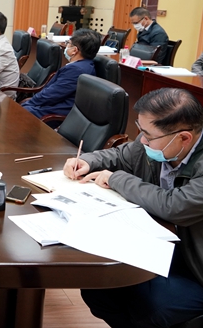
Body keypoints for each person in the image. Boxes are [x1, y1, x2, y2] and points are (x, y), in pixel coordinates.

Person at [64, 88, 203, 327]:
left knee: (153, 307)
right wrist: (87, 161)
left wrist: (116, 179)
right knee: (98, 286)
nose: (142, 140)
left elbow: (175, 206)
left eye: (148, 135)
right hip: (164, 245)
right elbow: (120, 155)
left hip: (196, 267)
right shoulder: (159, 144)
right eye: (141, 130)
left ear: (184, 138)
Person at [21, 28, 100, 119]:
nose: (66, 46)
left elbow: (51, 95)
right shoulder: (85, 65)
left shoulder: (76, 70)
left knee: (19, 112)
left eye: (68, 43)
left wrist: (29, 103)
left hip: (54, 114)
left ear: (74, 50)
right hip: (55, 106)